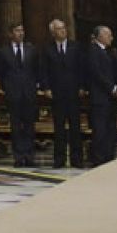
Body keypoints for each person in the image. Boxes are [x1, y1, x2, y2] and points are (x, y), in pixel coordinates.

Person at [40, 19, 84, 168]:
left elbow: (81, 68)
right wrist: (46, 88)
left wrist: (82, 86)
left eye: (64, 28)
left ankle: (76, 158)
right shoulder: (47, 49)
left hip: (73, 92)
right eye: (59, 29)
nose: (63, 31)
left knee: (75, 127)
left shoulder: (75, 47)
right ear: (53, 32)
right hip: (56, 93)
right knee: (59, 127)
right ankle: (59, 159)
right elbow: (44, 71)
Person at [0, 22, 39, 167]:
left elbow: (36, 70)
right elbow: (1, 72)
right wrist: (6, 87)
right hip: (13, 92)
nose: (20, 33)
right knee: (15, 126)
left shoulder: (31, 50)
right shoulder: (3, 51)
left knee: (29, 125)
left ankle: (29, 155)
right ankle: (18, 156)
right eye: (17, 31)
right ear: (10, 34)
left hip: (29, 92)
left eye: (22, 30)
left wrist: (36, 86)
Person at [86, 26, 117, 166]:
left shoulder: (107, 52)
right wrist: (111, 87)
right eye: (108, 35)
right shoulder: (93, 51)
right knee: (100, 129)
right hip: (99, 97)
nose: (111, 38)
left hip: (109, 98)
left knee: (110, 128)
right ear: (99, 36)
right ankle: (98, 158)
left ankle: (108, 156)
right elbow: (97, 73)